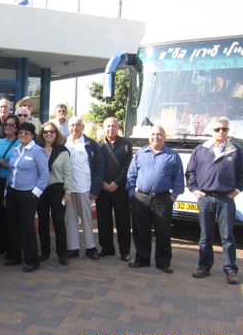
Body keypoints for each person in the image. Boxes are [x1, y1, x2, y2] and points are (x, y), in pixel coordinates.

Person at [185, 116, 243, 284]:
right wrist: (195, 190)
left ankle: (231, 270)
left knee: (227, 237)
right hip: (205, 199)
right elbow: (190, 172)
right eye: (217, 129)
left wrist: (236, 191)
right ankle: (204, 267)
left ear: (228, 131)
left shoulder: (235, 151)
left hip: (225, 199)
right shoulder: (200, 150)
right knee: (205, 236)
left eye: (224, 129)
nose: (221, 132)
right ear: (211, 131)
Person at [126, 125, 184, 274]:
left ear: (164, 137)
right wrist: (132, 194)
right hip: (141, 198)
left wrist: (172, 197)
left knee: (163, 232)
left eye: (159, 134)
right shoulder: (140, 154)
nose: (155, 137)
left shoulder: (172, 155)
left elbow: (178, 179)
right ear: (149, 137)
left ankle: (163, 262)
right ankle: (142, 259)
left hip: (162, 199)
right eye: (153, 134)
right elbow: (131, 175)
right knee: (140, 231)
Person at [4, 122, 49, 272]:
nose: (23, 135)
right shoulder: (16, 150)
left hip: (28, 194)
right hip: (12, 192)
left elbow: (44, 174)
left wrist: (35, 193)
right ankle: (15, 256)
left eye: (27, 133)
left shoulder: (37, 151)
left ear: (32, 135)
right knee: (13, 226)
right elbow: (11, 172)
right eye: (21, 132)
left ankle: (32, 261)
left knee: (27, 228)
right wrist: (6, 193)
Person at [64, 116, 105, 260]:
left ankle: (90, 247)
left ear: (83, 127)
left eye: (78, 125)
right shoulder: (63, 142)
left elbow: (100, 166)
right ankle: (72, 248)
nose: (74, 128)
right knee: (70, 219)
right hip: (68, 189)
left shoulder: (90, 144)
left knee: (87, 219)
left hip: (85, 187)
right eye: (72, 125)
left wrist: (95, 189)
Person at [96, 117, 133, 261]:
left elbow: (128, 166)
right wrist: (102, 183)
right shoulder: (98, 145)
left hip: (120, 188)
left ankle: (124, 251)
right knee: (103, 220)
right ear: (103, 127)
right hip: (102, 188)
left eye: (114, 126)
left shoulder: (126, 145)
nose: (111, 129)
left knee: (123, 220)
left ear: (118, 128)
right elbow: (95, 166)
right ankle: (106, 248)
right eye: (108, 126)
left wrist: (116, 183)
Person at [35, 122, 72, 265]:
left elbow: (68, 173)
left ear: (56, 134)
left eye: (51, 131)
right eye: (45, 132)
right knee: (43, 221)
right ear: (42, 134)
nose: (48, 134)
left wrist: (68, 192)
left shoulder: (62, 151)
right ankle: (45, 252)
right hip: (41, 189)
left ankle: (62, 253)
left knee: (59, 221)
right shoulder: (37, 149)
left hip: (57, 189)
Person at [0, 114, 20, 257]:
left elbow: (20, 163)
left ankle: (10, 248)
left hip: (13, 182)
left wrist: (7, 164)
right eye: (6, 125)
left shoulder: (19, 143)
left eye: (12, 125)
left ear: (16, 128)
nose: (8, 127)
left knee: (11, 216)